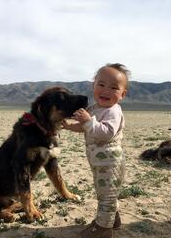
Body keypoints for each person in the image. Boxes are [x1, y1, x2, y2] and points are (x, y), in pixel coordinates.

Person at [63, 63, 130, 238]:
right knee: (105, 193)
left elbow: (106, 133)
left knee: (107, 196)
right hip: (99, 163)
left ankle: (103, 229)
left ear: (122, 95)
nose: (106, 90)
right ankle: (113, 220)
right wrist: (71, 127)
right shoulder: (94, 108)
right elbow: (85, 127)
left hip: (111, 163)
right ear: (93, 85)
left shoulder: (113, 112)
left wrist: (88, 122)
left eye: (114, 87)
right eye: (101, 84)